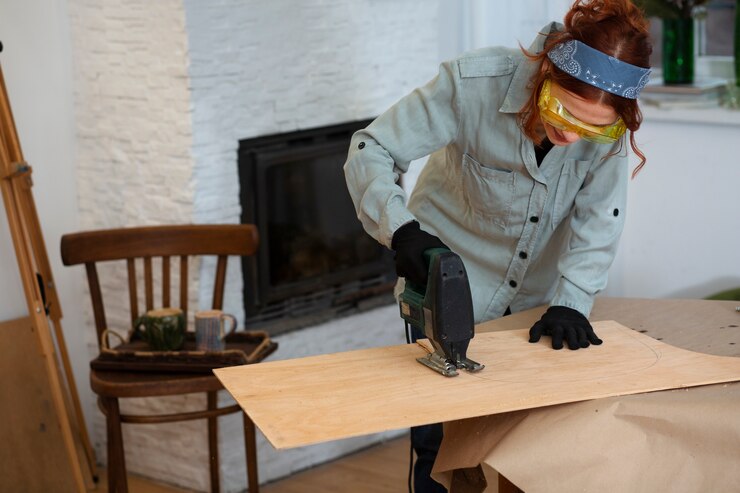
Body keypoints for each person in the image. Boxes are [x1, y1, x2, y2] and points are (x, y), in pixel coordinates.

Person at [344, 0, 652, 491]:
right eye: (562, 112)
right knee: (440, 446)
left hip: (533, 306)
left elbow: (601, 219)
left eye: (592, 126)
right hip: (441, 283)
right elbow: (371, 147)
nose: (572, 134)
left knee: (522, 448)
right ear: (545, 72)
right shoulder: (473, 84)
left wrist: (573, 302)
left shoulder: (604, 119)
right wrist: (401, 230)